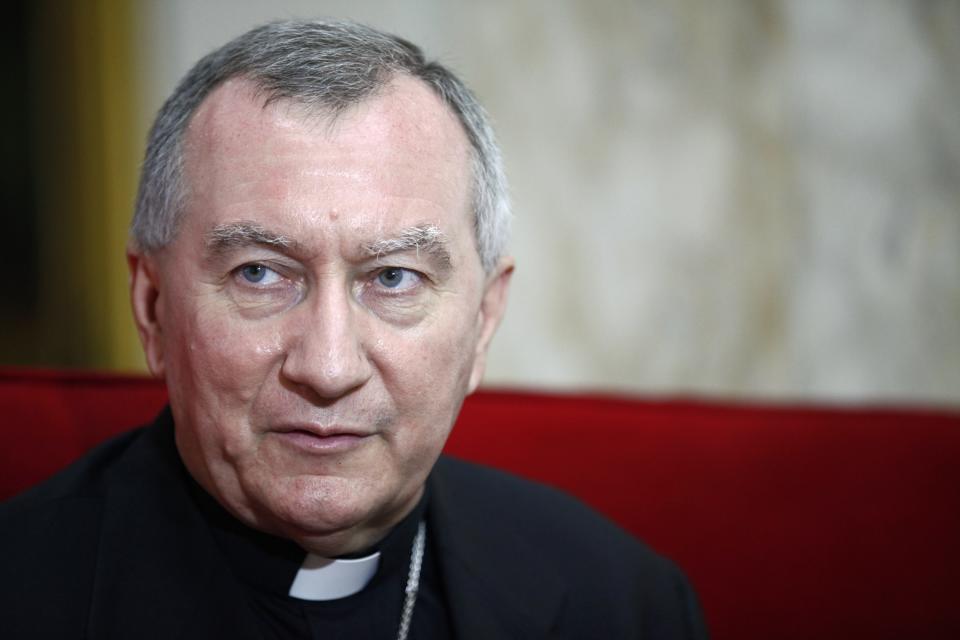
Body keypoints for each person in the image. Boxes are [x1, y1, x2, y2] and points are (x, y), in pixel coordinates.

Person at [0, 20, 707, 639]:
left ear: (484, 320)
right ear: (152, 307)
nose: (329, 366)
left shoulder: (621, 602)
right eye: (259, 273)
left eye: (394, 278)